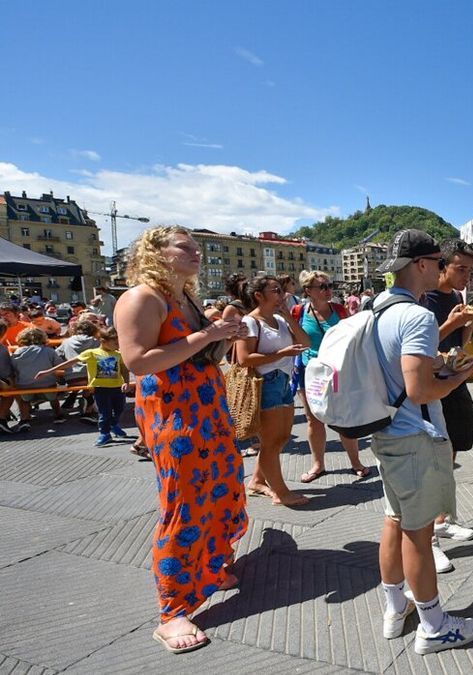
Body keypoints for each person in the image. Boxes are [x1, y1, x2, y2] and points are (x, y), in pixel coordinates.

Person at [115, 225, 249, 654]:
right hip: (174, 414)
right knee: (183, 503)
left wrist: (224, 336)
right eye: (185, 247)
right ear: (156, 252)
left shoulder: (182, 298)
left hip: (206, 408)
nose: (197, 253)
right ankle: (172, 611)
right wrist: (206, 335)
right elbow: (138, 360)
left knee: (223, 487)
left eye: (197, 247)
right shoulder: (141, 297)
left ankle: (210, 566)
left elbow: (195, 351)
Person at [372, 229, 473, 652]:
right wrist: (458, 376)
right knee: (418, 535)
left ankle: (393, 606)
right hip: (415, 435)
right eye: (438, 262)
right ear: (421, 265)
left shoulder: (379, 307)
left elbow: (399, 368)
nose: (441, 268)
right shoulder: (417, 315)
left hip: (384, 428)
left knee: (394, 520)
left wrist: (437, 362)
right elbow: (420, 390)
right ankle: (434, 626)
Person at [419, 238, 473, 572]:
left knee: (450, 454)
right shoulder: (422, 297)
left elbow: (456, 345)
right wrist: (452, 325)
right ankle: (428, 541)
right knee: (430, 462)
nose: (466, 277)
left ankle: (441, 520)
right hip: (427, 390)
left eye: (470, 270)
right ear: (440, 265)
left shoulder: (456, 298)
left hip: (452, 382)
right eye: (461, 269)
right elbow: (420, 347)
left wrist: (469, 328)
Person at [231, 275, 311, 507]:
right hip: (266, 383)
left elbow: (305, 343)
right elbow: (245, 358)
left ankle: (257, 480)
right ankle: (281, 492)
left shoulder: (280, 319)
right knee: (271, 442)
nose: (281, 294)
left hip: (284, 381)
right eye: (275, 290)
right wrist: (283, 354)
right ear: (259, 295)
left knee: (282, 437)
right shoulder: (250, 322)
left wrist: (288, 316)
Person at [292, 269, 370, 482]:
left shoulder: (339, 310)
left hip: (339, 371)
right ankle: (318, 465)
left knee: (345, 417)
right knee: (313, 420)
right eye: (323, 287)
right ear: (308, 290)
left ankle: (356, 462)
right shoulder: (298, 312)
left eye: (330, 286)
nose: (328, 291)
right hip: (311, 373)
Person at [38, 326, 132, 446]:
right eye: (115, 342)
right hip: (101, 388)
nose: (118, 345)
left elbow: (124, 369)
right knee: (104, 412)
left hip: (117, 387)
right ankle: (105, 433)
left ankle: (113, 424)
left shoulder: (118, 354)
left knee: (120, 409)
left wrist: (126, 382)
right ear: (103, 341)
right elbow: (70, 362)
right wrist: (49, 371)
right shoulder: (92, 353)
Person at [10, 326, 66, 426]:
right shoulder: (49, 351)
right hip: (47, 384)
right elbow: (59, 365)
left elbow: (13, 368)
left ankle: (25, 418)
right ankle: (58, 414)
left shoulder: (18, 352)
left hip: (25, 385)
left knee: (25, 401)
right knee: (53, 398)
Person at [57, 319, 101, 423]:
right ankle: (88, 410)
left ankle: (81, 402)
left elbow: (57, 356)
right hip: (91, 377)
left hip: (71, 378)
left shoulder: (66, 342)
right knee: (99, 380)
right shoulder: (96, 342)